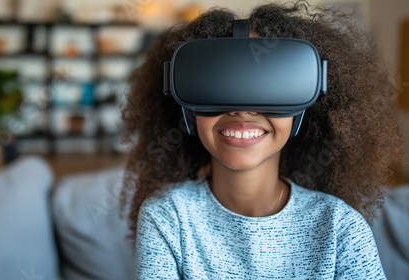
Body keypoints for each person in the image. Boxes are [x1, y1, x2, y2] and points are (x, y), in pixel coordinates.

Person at [118, 1, 403, 279]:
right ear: (187, 110)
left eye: (267, 85)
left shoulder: (340, 227)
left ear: (304, 107)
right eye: (219, 85)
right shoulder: (168, 218)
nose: (242, 110)